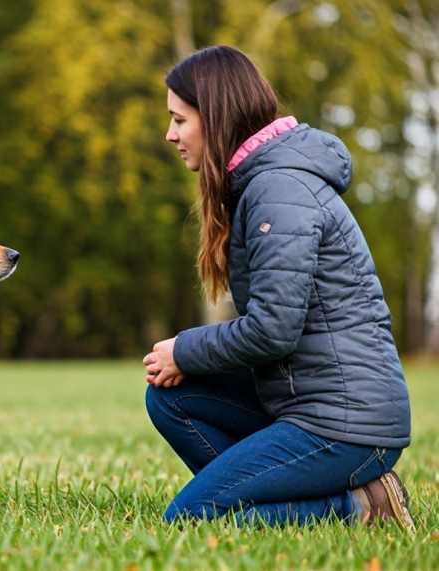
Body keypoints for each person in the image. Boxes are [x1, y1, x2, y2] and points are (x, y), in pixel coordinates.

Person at [143, 45, 413, 528]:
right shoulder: (261, 183)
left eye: (180, 120)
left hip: (345, 426)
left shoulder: (278, 190)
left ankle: (362, 504)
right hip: (306, 405)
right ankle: (263, 495)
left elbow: (274, 329)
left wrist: (184, 349)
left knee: (193, 517)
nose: (170, 135)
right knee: (170, 397)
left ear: (216, 116)